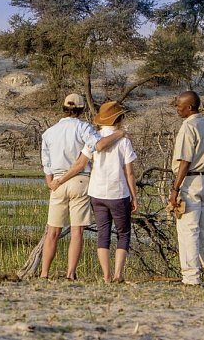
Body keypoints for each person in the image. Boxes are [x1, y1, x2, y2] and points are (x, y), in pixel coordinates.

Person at [39, 93, 125, 280]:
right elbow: (99, 145)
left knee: (53, 230)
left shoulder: (49, 132)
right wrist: (119, 133)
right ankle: (70, 273)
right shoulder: (83, 127)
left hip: (57, 182)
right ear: (81, 109)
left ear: (63, 108)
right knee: (77, 230)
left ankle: (44, 273)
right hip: (80, 180)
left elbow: (46, 163)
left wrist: (51, 183)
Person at [55, 101, 138, 283]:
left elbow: (80, 164)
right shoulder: (124, 141)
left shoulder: (93, 138)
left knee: (103, 233)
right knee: (123, 233)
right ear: (119, 119)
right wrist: (134, 195)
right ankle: (118, 274)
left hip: (97, 192)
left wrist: (60, 180)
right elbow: (129, 172)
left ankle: (106, 275)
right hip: (118, 192)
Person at [167, 91, 204, 286]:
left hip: (190, 181)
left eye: (179, 106)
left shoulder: (189, 127)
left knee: (188, 230)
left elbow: (185, 161)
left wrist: (175, 189)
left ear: (189, 107)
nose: (177, 109)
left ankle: (191, 278)